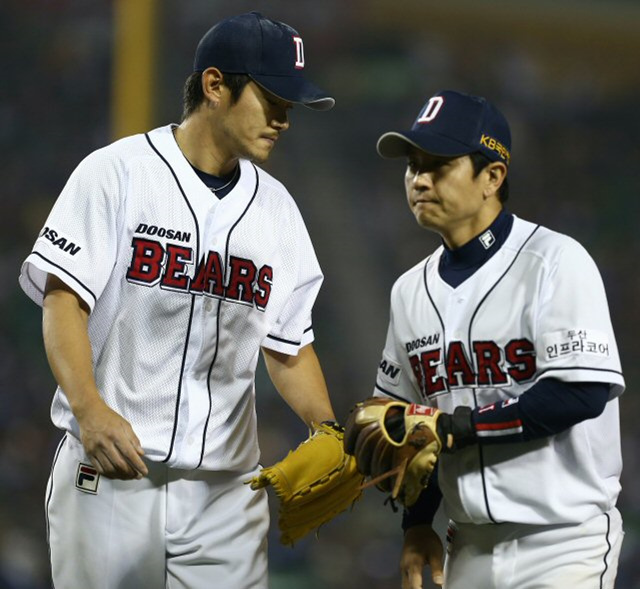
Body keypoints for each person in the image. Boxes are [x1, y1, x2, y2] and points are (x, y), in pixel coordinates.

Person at [19, 12, 338, 589]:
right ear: (216, 86)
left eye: (291, 106)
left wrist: (328, 430)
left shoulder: (279, 211)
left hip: (227, 494)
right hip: (114, 473)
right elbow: (63, 302)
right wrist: (88, 409)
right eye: (272, 100)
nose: (284, 119)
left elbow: (290, 345)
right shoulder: (117, 173)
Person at [369, 90, 624, 589]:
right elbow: (412, 432)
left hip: (564, 542)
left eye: (438, 165)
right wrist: (417, 524)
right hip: (466, 546)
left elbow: (579, 392)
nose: (419, 179)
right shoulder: (408, 291)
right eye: (413, 166)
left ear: (492, 177)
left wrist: (459, 428)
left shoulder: (555, 260)